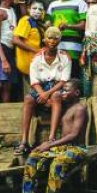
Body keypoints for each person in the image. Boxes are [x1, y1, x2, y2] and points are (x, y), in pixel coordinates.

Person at [21, 81, 92, 193]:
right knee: (33, 157)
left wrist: (49, 144)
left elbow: (74, 135)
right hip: (62, 148)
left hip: (78, 148)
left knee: (57, 164)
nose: (63, 93)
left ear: (76, 92)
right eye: (62, 90)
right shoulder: (66, 108)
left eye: (66, 91)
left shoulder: (80, 109)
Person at [16, 27, 71, 155]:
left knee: (56, 96)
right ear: (45, 40)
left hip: (57, 87)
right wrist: (43, 94)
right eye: (50, 38)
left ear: (59, 40)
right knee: (28, 99)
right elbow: (34, 81)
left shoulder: (64, 57)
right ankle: (24, 141)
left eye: (56, 38)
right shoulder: (36, 58)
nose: (53, 41)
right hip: (41, 87)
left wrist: (47, 94)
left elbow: (63, 81)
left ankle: (51, 138)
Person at [46, 0, 88, 65]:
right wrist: (48, 26)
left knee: (73, 76)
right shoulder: (53, 5)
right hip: (56, 47)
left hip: (74, 47)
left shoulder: (81, 3)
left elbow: (84, 25)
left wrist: (68, 26)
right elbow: (47, 24)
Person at [13, 0, 46, 91]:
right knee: (31, 94)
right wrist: (35, 51)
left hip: (37, 64)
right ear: (28, 9)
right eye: (34, 8)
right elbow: (16, 40)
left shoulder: (39, 24)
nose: (37, 11)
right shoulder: (26, 20)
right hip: (28, 63)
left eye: (40, 9)